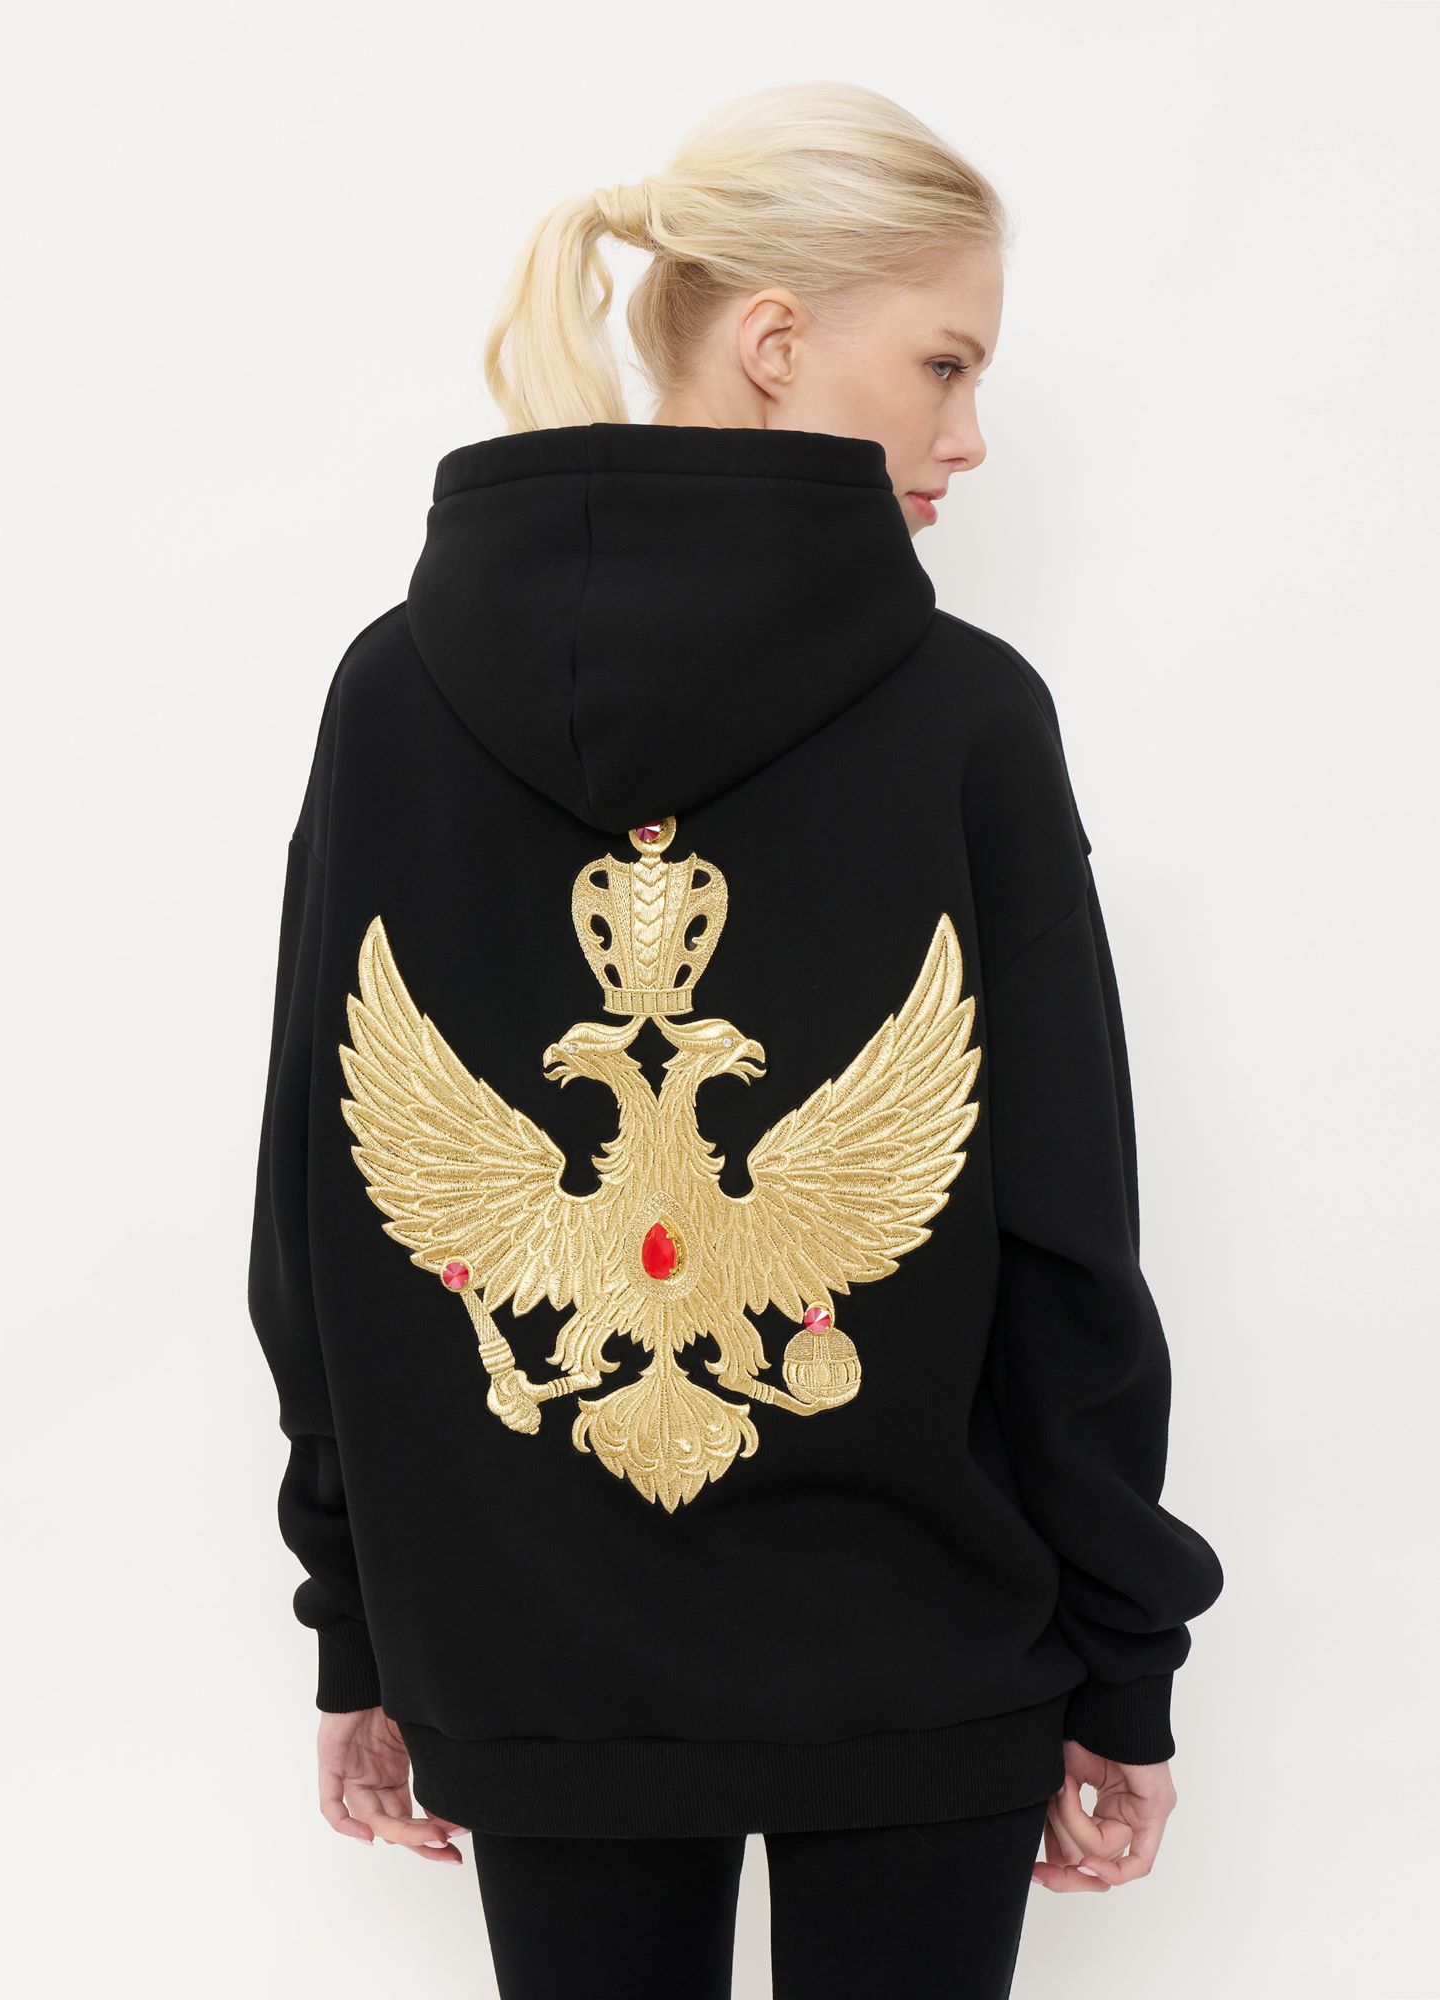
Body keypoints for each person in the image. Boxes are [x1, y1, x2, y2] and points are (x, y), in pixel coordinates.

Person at [246, 80, 1225, 2000]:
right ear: (777, 341)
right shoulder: (966, 717)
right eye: (944, 363)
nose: (970, 434)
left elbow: (323, 1226)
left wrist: (359, 1624)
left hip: (536, 1661)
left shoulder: (395, 694)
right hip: (925, 1655)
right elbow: (1062, 1233)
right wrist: (1125, 1658)